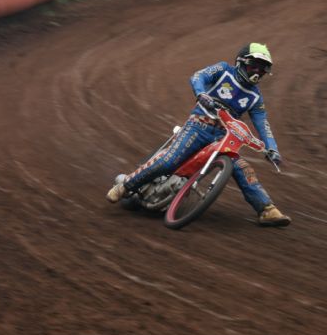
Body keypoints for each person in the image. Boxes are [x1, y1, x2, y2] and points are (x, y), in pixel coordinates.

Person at [106, 42, 292, 227]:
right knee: (170, 160)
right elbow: (198, 76)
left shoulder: (256, 98)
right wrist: (201, 94)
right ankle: (125, 186)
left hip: (223, 137)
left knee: (242, 168)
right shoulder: (223, 69)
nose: (257, 72)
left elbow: (263, 123)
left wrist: (272, 149)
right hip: (198, 126)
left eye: (262, 69)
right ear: (241, 62)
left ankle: (267, 209)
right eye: (254, 66)